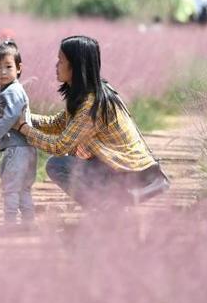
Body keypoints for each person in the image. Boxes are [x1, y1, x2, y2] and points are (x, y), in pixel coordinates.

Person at [12, 35, 168, 210]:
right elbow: (57, 123)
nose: (56, 66)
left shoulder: (91, 103)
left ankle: (106, 209)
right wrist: (21, 117)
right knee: (72, 156)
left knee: (58, 164)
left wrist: (23, 128)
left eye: (61, 61)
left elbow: (59, 146)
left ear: (76, 67)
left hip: (131, 175)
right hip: (120, 169)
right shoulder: (89, 92)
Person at [0, 40, 37, 226]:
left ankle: (10, 223)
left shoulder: (10, 91)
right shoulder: (14, 90)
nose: (3, 72)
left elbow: (12, 116)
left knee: (10, 188)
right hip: (27, 148)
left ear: (19, 68)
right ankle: (29, 223)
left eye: (8, 66)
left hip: (17, 148)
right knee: (23, 189)